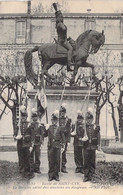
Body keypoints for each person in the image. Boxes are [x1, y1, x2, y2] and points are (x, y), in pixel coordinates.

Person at [45, 110, 65, 181]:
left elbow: (63, 138)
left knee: (57, 161)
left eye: (55, 120)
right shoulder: (49, 127)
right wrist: (45, 129)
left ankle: (56, 175)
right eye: (53, 120)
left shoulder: (60, 128)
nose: (54, 122)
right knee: (51, 161)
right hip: (50, 146)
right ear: (51, 120)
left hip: (57, 146)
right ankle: (50, 175)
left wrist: (63, 146)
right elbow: (44, 135)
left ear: (57, 121)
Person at [53, 2, 73, 72]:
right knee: (70, 48)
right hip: (62, 41)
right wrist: (63, 25)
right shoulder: (60, 24)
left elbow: (62, 33)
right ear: (59, 17)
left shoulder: (58, 24)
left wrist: (68, 38)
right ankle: (68, 65)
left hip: (63, 39)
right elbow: (64, 29)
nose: (62, 18)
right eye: (61, 17)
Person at [14, 107, 31, 178]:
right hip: (20, 143)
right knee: (20, 157)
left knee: (27, 157)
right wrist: (15, 136)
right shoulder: (18, 124)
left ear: (26, 117)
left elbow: (31, 135)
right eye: (22, 116)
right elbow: (15, 133)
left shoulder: (29, 124)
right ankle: (21, 171)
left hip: (26, 143)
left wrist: (25, 137)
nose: (23, 118)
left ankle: (27, 171)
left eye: (24, 116)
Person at [83, 111, 101, 182]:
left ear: (92, 119)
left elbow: (98, 136)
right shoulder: (84, 127)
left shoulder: (95, 127)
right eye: (88, 119)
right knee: (86, 162)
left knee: (92, 162)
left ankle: (92, 176)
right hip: (86, 147)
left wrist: (98, 144)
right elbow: (81, 135)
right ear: (86, 120)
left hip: (93, 146)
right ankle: (86, 176)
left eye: (90, 119)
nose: (89, 120)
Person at [29, 109, 45, 176]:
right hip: (32, 143)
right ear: (32, 118)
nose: (34, 118)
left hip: (38, 143)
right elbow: (29, 134)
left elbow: (42, 134)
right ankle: (31, 169)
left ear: (37, 118)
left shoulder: (40, 125)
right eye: (33, 117)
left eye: (36, 117)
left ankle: (37, 168)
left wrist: (42, 142)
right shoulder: (30, 125)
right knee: (31, 156)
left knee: (37, 156)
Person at [59, 103, 72, 173]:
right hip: (58, 139)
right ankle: (57, 167)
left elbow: (69, 130)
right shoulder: (58, 119)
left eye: (63, 112)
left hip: (65, 139)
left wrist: (69, 140)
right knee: (57, 153)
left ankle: (63, 167)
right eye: (61, 112)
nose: (62, 113)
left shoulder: (68, 120)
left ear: (65, 112)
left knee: (63, 154)